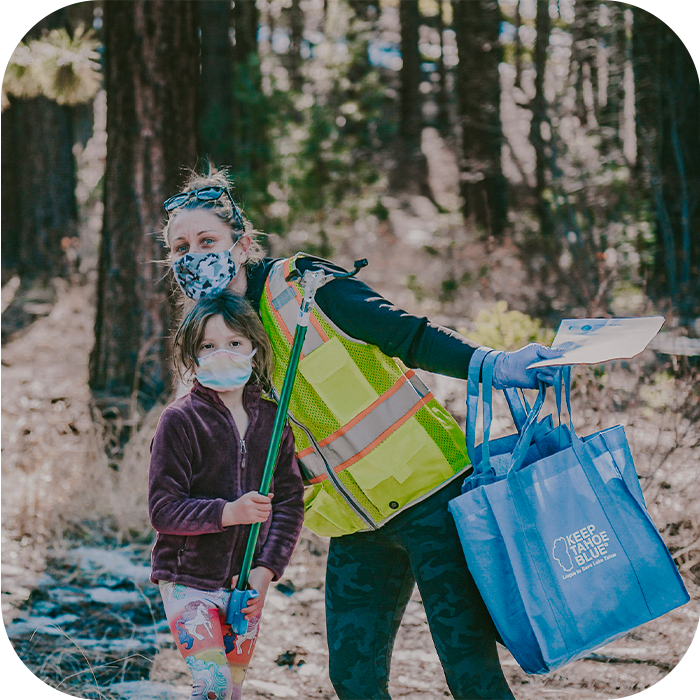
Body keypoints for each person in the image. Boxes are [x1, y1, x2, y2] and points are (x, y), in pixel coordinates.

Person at [160, 168, 564, 700]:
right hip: (353, 522)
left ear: (244, 242)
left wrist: (494, 363)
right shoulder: (213, 343)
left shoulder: (304, 287)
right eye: (180, 248)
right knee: (353, 679)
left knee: (470, 671)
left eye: (207, 240)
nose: (194, 256)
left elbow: (406, 334)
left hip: (432, 499)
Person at [148, 290, 305, 700]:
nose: (223, 353)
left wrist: (266, 570)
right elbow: (163, 509)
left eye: (235, 343)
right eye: (208, 345)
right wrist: (228, 513)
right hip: (188, 580)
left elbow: (288, 503)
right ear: (193, 354)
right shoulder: (180, 420)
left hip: (245, 585)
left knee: (233, 689)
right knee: (212, 685)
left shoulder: (273, 420)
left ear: (254, 346)